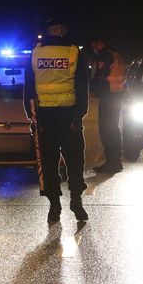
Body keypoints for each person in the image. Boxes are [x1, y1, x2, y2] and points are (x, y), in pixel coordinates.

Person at [24, 17, 89, 223]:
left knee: (48, 163)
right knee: (75, 160)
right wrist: (79, 114)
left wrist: (31, 115)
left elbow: (29, 87)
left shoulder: (36, 52)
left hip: (44, 117)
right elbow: (81, 85)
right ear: (61, 30)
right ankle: (76, 201)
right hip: (68, 115)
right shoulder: (73, 51)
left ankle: (54, 206)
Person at [90, 39, 125, 173]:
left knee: (106, 130)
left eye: (95, 43)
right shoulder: (116, 55)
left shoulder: (105, 56)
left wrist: (94, 91)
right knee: (113, 129)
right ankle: (115, 161)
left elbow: (102, 75)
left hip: (108, 95)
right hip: (115, 95)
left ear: (102, 43)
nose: (94, 46)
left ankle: (112, 162)